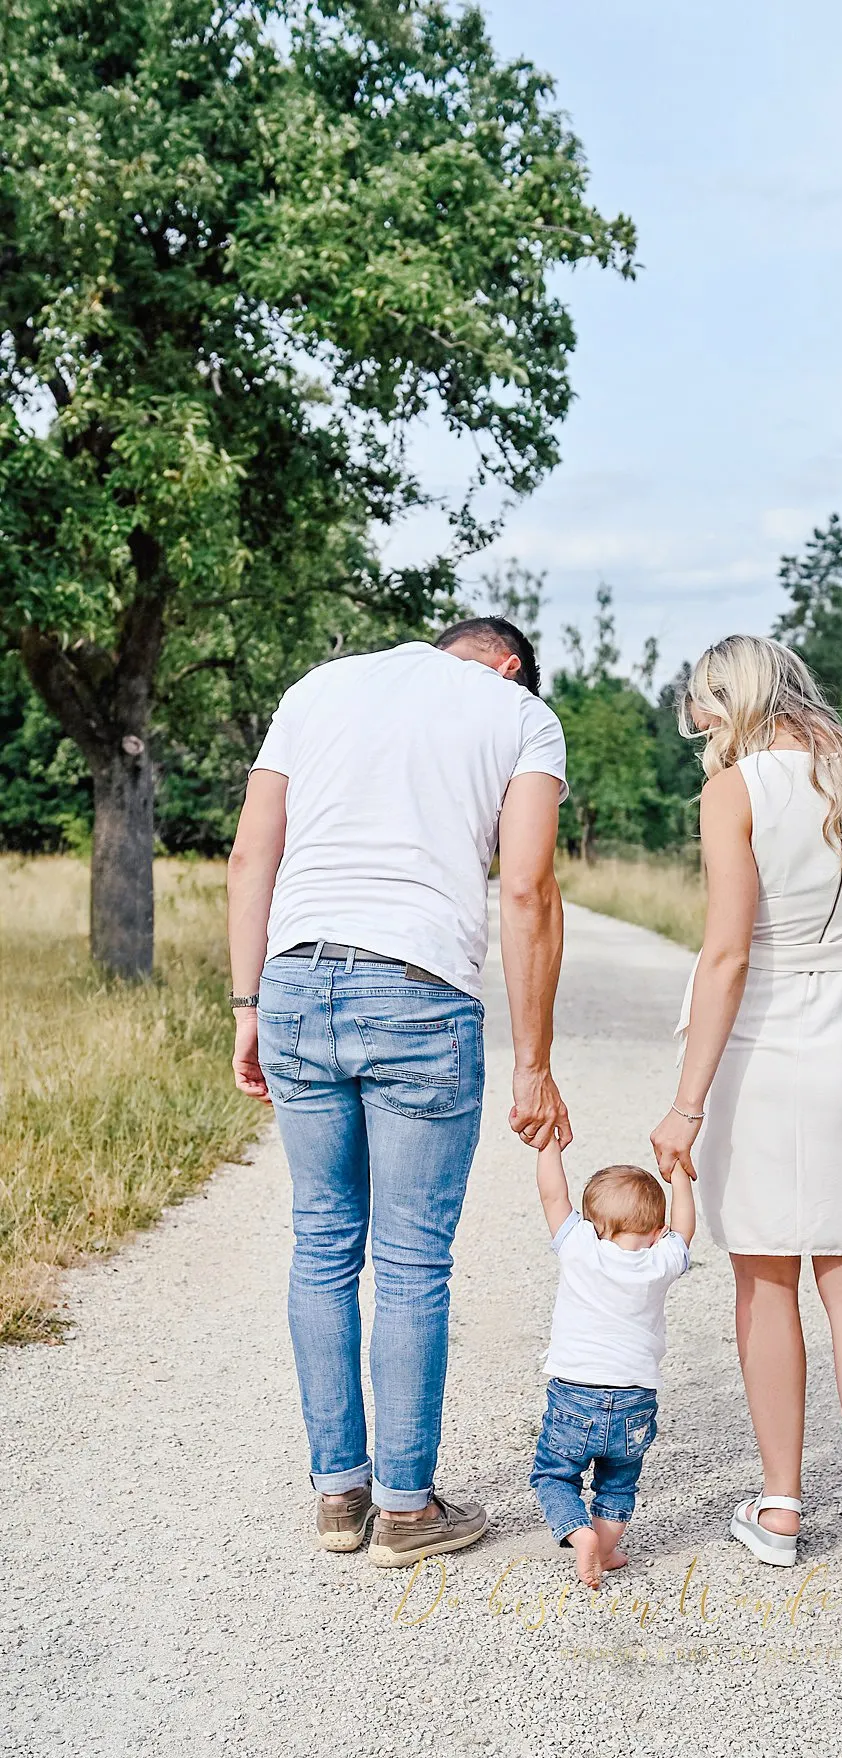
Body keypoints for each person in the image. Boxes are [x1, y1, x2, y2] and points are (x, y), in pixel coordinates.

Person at [226, 617, 572, 1569]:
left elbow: (253, 855)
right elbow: (529, 890)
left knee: (321, 1243)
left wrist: (245, 1004)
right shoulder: (521, 714)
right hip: (419, 985)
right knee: (412, 1259)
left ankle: (339, 1497)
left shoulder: (319, 686)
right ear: (507, 663)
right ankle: (409, 1511)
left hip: (295, 977)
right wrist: (534, 1060)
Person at [650, 635, 842, 1606]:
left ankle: (780, 1508)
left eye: (699, 705)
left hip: (761, 1061)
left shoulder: (736, 793)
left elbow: (728, 956)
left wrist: (686, 1106)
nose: (695, 725)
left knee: (766, 1280)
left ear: (728, 700)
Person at [529, 1137, 695, 1589]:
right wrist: (678, 1171)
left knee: (554, 1474)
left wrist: (549, 1148)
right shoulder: (660, 1261)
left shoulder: (580, 1247)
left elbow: (552, 1195)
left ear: (591, 1221)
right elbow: (685, 1229)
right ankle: (604, 1549)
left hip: (575, 1396)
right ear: (657, 1229)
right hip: (635, 1401)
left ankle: (577, 1532)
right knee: (617, 1485)